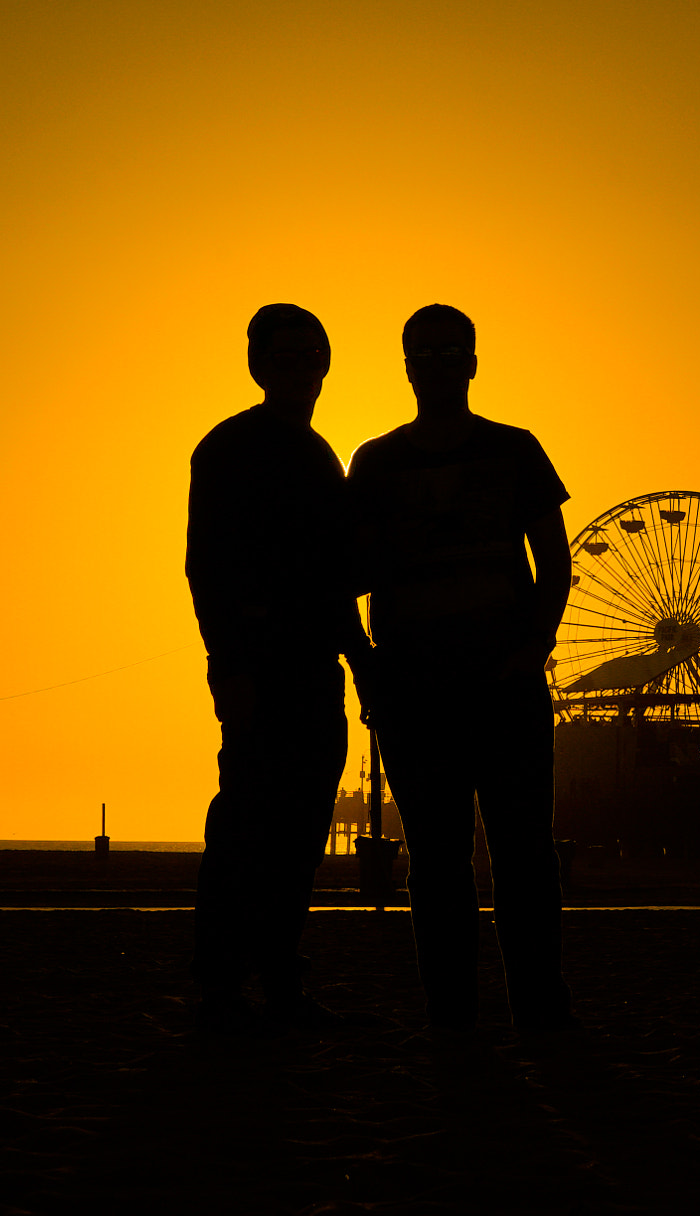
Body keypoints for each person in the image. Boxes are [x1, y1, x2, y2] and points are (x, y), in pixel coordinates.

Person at [348, 304, 575, 1036]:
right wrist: (369, 668)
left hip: (504, 686)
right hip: (416, 691)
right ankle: (455, 1019)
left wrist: (531, 651)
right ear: (407, 365)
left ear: (473, 363)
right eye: (428, 353)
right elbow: (342, 571)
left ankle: (538, 1015)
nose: (442, 365)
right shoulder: (375, 463)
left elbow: (557, 563)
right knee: (438, 861)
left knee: (523, 857)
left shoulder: (517, 450)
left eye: (454, 352)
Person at [186, 302, 372, 1035]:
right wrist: (227, 667)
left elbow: (333, 579)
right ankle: (223, 988)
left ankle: (278, 985)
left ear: (324, 364)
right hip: (261, 670)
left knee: (298, 837)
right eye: (284, 355)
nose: (298, 368)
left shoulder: (321, 454)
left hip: (313, 668)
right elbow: (207, 568)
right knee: (246, 829)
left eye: (308, 355)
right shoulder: (229, 449)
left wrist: (360, 664)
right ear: (258, 366)